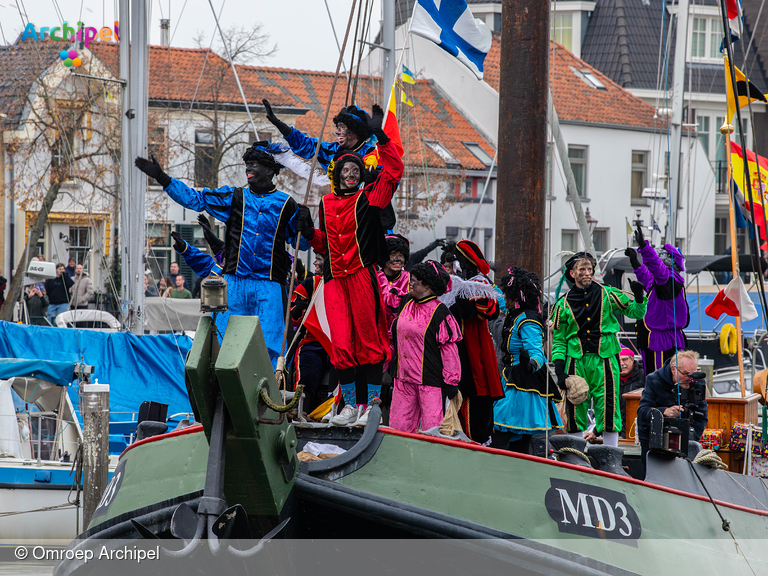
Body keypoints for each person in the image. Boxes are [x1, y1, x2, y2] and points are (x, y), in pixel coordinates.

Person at [135, 140, 308, 368]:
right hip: (235, 284)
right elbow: (195, 199)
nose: (249, 169)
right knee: (227, 343)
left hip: (269, 285)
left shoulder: (287, 204)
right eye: (247, 164)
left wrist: (306, 223)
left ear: (270, 169)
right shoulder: (234, 198)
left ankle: (270, 393)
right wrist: (162, 178)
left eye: (254, 164)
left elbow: (303, 244)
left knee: (271, 347)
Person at [295, 104, 404, 427]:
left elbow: (393, 171)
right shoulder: (326, 203)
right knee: (341, 343)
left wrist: (382, 138)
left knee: (369, 342)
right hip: (334, 281)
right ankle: (350, 406)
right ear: (337, 175)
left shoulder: (370, 198)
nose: (351, 175)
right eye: (345, 172)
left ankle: (371, 406)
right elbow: (325, 244)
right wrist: (307, 231)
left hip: (361, 275)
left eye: (355, 171)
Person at [550, 253, 647, 447]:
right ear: (572, 273)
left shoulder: (608, 294)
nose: (587, 273)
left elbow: (636, 312)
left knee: (609, 408)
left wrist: (638, 297)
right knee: (575, 408)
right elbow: (559, 341)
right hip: (576, 362)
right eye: (582, 270)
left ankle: (611, 455)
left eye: (589, 270)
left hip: (605, 361)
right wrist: (559, 370)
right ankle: (576, 454)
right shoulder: (562, 304)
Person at [492, 267, 563, 454]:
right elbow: (496, 298)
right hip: (510, 378)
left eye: (507, 295)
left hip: (523, 384)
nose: (504, 298)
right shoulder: (514, 314)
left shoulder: (528, 321)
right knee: (516, 441)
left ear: (518, 298)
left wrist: (531, 363)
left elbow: (537, 353)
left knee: (503, 435)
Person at [440, 240, 504, 444]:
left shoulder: (479, 283)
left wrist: (463, 298)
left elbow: (489, 311)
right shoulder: (454, 284)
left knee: (475, 396)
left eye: (456, 261)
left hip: (473, 348)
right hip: (454, 347)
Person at [389, 261, 461, 433]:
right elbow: (394, 338)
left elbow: (449, 352)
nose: (410, 284)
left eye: (414, 281)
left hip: (429, 383)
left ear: (427, 285)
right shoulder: (405, 302)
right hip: (402, 380)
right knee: (398, 428)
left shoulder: (440, 312)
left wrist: (452, 381)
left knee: (432, 430)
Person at [625, 224, 688, 376]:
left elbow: (656, 268)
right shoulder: (661, 282)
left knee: (659, 380)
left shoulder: (670, 279)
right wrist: (635, 262)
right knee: (652, 379)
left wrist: (644, 246)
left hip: (662, 342)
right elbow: (647, 279)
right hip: (655, 339)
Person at [637, 350, 707, 479]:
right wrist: (664, 411)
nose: (689, 379)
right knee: (651, 478)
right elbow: (642, 412)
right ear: (673, 369)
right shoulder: (653, 379)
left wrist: (690, 442)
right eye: (686, 374)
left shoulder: (698, 382)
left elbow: (701, 417)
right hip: (653, 440)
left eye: (693, 374)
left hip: (685, 441)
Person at [264, 99, 377, 172]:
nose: (337, 132)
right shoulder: (332, 151)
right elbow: (304, 144)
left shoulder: (373, 154)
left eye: (342, 127)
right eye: (337, 127)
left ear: (356, 130)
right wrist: (278, 124)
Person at [378, 234, 411, 328]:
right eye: (393, 254)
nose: (398, 259)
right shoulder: (374, 278)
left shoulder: (411, 279)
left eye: (401, 255)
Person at [618, 346, 645, 439]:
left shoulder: (644, 376)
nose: (621, 363)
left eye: (624, 360)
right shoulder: (611, 378)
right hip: (617, 429)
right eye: (618, 360)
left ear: (632, 359)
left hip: (637, 430)